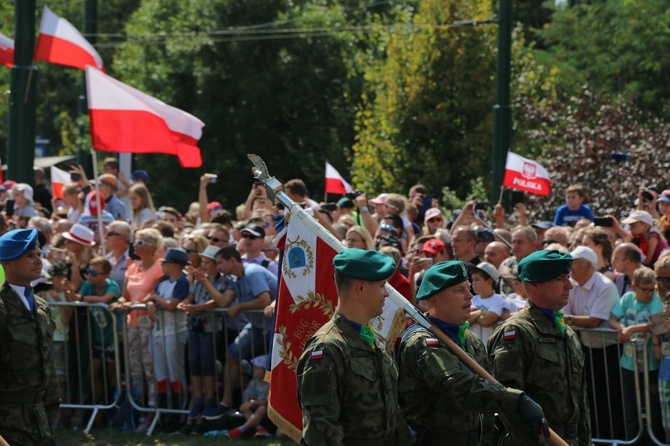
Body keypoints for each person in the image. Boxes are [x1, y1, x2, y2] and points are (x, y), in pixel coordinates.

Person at [397, 260, 547, 446]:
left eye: (468, 288)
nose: (470, 296)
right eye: (459, 290)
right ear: (434, 298)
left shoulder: (471, 340)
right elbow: (458, 385)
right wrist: (516, 400)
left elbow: (484, 409)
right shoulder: (422, 342)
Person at [296, 248, 410, 445]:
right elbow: (321, 429)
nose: (386, 293)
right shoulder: (327, 348)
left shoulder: (376, 340)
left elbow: (393, 410)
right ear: (361, 287)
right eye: (382, 285)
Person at [488, 250, 591, 445]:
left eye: (568, 277)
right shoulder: (517, 332)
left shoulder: (565, 331)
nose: (569, 285)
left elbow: (580, 401)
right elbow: (508, 401)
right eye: (560, 279)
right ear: (535, 284)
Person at [0, 228, 60, 445]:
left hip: (40, 424)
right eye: (29, 256)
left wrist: (50, 412)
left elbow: (48, 369)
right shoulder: (2, 308)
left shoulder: (41, 307)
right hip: (8, 426)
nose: (38, 261)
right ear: (7, 262)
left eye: (38, 254)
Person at [562, 246, 622, 439]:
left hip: (611, 351)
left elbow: (595, 320)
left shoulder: (605, 286)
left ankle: (615, 436)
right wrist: (571, 319)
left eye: (574, 264)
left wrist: (570, 319)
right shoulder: (572, 284)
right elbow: (565, 314)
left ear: (587, 265)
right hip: (586, 349)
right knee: (591, 397)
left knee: (612, 397)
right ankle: (596, 436)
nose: (570, 269)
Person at [609, 266, 664, 441]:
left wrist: (631, 329)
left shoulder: (655, 301)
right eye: (645, 290)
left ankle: (654, 440)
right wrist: (622, 328)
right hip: (628, 364)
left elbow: (655, 324)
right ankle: (632, 440)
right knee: (630, 407)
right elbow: (612, 319)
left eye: (652, 289)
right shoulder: (627, 298)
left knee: (653, 408)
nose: (649, 293)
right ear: (634, 287)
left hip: (651, 365)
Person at [144, 248, 191, 433]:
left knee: (175, 374)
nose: (162, 265)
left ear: (176, 265)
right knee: (161, 375)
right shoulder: (163, 280)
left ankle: (179, 414)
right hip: (158, 332)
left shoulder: (182, 282)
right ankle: (164, 414)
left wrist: (155, 299)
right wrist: (150, 303)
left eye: (165, 262)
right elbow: (149, 296)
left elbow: (172, 306)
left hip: (175, 332)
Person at [225, 355, 272, 440]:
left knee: (262, 408)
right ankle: (260, 429)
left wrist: (255, 402)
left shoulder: (271, 383)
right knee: (243, 407)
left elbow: (270, 400)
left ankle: (240, 429)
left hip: (267, 408)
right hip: (256, 406)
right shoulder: (254, 382)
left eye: (257, 368)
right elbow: (247, 396)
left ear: (265, 370)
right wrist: (249, 402)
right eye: (254, 368)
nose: (254, 370)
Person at [468, 261, 506, 346]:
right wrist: (481, 312)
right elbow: (463, 319)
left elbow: (487, 321)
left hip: (488, 349)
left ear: (489, 282)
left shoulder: (498, 299)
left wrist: (472, 316)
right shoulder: (471, 299)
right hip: (473, 348)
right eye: (472, 279)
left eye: (477, 279)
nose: (473, 283)